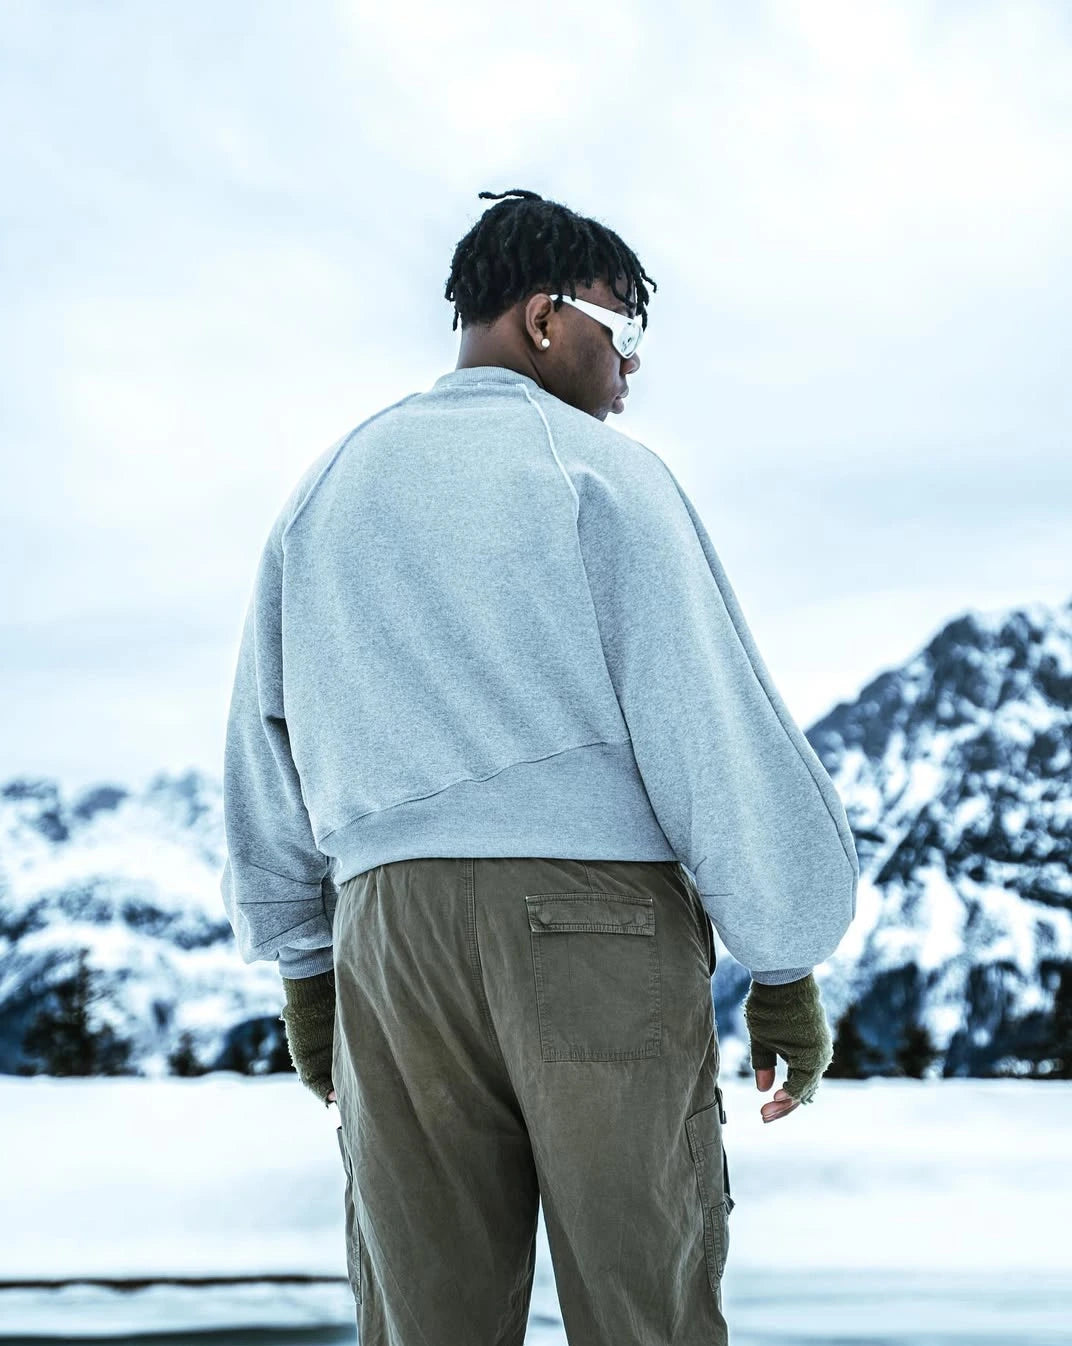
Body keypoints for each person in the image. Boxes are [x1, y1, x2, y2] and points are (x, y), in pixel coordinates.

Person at [220, 187, 859, 1345]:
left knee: (427, 1311)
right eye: (625, 329)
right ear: (544, 319)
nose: (630, 369)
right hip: (592, 924)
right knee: (643, 1302)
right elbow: (707, 723)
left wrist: (309, 966)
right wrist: (783, 958)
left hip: (390, 938)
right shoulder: (599, 476)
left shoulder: (328, 490)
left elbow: (269, 737)